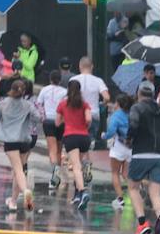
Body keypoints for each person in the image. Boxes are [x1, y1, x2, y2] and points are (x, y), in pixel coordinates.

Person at [125, 82, 160, 234]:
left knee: (133, 187)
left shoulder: (137, 108)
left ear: (139, 94)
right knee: (155, 193)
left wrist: (130, 138)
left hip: (141, 153)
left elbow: (134, 123)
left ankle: (142, 223)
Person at [0, 78, 40, 212]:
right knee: (19, 172)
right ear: (24, 91)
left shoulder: (3, 104)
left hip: (10, 140)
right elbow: (38, 117)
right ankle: (13, 201)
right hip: (24, 140)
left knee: (17, 170)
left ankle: (25, 191)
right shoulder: (28, 105)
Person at [57, 79, 95, 211]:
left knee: (76, 167)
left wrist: (65, 120)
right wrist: (85, 126)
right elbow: (89, 119)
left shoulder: (63, 104)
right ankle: (77, 195)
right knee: (79, 164)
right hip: (84, 137)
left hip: (70, 136)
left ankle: (83, 192)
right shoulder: (84, 104)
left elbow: (57, 123)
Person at [37, 69, 68, 190]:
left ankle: (54, 172)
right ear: (60, 80)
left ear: (50, 79)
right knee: (60, 149)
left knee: (52, 150)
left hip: (48, 121)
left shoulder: (44, 90)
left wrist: (43, 116)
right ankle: (58, 172)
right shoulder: (64, 92)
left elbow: (39, 104)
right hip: (61, 122)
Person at [104, 94, 132, 210]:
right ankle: (136, 191)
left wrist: (104, 136)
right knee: (126, 174)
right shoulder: (133, 114)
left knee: (115, 172)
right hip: (131, 147)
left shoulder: (116, 115)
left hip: (119, 146)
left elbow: (111, 131)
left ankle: (120, 199)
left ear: (118, 104)